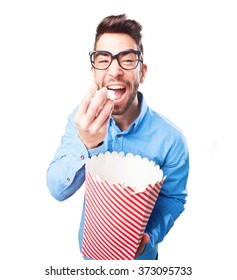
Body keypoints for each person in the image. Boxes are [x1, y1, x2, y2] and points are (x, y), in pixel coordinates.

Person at [46, 14, 189, 260]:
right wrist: (87, 143)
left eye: (127, 60)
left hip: (142, 264)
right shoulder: (80, 121)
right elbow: (57, 190)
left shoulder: (171, 139)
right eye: (103, 60)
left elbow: (173, 198)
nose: (115, 71)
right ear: (94, 72)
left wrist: (150, 236)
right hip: (90, 260)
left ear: (142, 73)